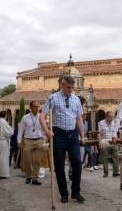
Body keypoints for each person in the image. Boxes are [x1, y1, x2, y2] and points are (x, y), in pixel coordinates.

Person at [39, 75, 85, 204]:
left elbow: (79, 119)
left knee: (77, 162)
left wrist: (82, 136)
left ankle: (76, 192)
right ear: (62, 85)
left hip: (73, 134)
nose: (71, 90)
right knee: (59, 166)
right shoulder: (53, 98)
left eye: (72, 87)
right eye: (69, 87)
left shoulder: (76, 99)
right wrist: (47, 131)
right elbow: (42, 116)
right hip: (58, 134)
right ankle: (64, 193)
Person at [18, 101, 45, 185]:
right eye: (35, 106)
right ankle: (28, 176)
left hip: (39, 140)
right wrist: (19, 141)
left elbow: (44, 128)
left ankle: (34, 178)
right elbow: (21, 129)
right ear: (31, 107)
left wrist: (44, 138)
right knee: (28, 160)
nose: (37, 108)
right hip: (28, 140)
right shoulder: (25, 117)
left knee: (37, 161)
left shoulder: (41, 117)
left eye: (38, 106)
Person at [98, 111, 119, 177]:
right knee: (105, 158)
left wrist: (117, 139)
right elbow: (99, 134)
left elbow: (116, 132)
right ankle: (106, 172)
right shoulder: (101, 123)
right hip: (105, 142)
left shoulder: (114, 122)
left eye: (112, 117)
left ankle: (116, 172)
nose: (111, 118)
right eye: (110, 117)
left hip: (113, 141)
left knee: (116, 156)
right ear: (106, 116)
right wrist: (100, 142)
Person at [0, 111, 13, 179]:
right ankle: (2, 174)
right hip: (2, 141)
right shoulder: (4, 122)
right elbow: (10, 132)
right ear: (6, 116)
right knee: (3, 158)